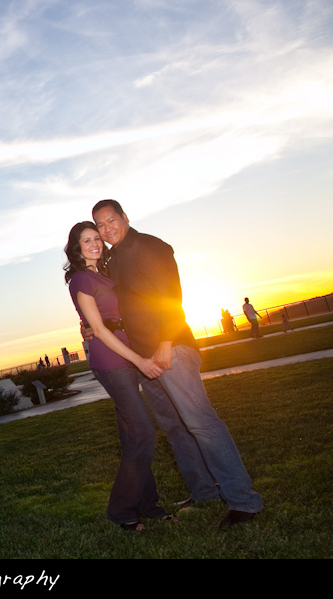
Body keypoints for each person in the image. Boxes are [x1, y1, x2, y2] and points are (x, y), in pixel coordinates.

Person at [92, 199, 263, 527]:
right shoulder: (115, 259)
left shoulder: (149, 247)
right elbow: (127, 307)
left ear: (125, 217)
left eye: (111, 220)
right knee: (173, 427)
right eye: (100, 225)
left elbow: (172, 295)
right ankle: (204, 492)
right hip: (147, 360)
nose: (106, 229)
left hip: (171, 349)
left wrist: (166, 344)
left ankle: (244, 501)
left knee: (201, 423)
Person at [65, 221, 172, 531]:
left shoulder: (106, 274)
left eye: (97, 238)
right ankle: (121, 509)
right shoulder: (81, 279)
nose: (95, 244)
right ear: (77, 248)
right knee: (143, 433)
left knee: (131, 438)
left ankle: (147, 505)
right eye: (87, 240)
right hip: (111, 361)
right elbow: (96, 329)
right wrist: (139, 359)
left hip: (127, 351)